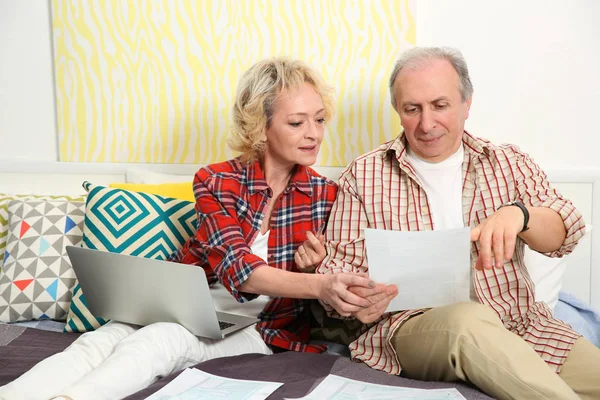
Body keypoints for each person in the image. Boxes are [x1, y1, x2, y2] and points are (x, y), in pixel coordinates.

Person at [0, 58, 376, 400]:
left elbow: (332, 305)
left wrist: (318, 271)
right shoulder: (215, 180)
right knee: (98, 341)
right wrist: (318, 283)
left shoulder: (327, 196)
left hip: (258, 330)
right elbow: (237, 268)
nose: (314, 133)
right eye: (297, 122)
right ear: (261, 128)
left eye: (320, 119)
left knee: (160, 340)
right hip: (182, 307)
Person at [316, 46, 600, 399]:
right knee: (466, 321)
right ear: (398, 111)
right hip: (412, 328)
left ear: (467, 104)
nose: (427, 123)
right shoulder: (364, 175)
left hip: (524, 326)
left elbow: (565, 232)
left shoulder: (508, 163)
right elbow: (341, 272)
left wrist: (521, 215)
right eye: (412, 109)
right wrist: (356, 299)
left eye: (440, 105)